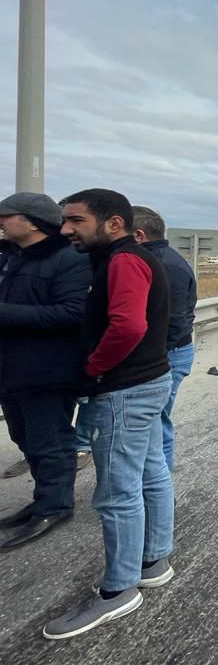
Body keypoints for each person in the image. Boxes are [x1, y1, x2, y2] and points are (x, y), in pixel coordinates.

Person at [45, 189, 173, 640]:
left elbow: (129, 325)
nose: (66, 229)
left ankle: (118, 589)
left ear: (114, 223)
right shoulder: (131, 257)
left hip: (124, 390)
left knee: (118, 492)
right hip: (147, 382)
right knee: (151, 471)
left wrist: (93, 367)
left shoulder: (122, 261)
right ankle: (153, 560)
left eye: (76, 220)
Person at [0, 193, 91, 551]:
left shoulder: (68, 259)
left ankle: (55, 507)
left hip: (48, 370)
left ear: (32, 222)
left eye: (6, 216)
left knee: (49, 442)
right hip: (11, 369)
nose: (1, 223)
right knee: (25, 438)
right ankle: (43, 499)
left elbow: (73, 313)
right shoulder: (13, 256)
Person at [75, 206, 196, 473]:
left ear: (138, 234)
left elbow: (172, 322)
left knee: (156, 426)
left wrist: (146, 359)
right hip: (165, 354)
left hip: (166, 355)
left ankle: (155, 484)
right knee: (152, 427)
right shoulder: (158, 260)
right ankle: (154, 484)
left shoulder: (155, 264)